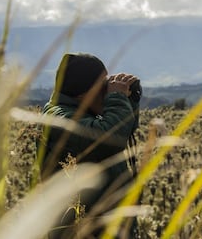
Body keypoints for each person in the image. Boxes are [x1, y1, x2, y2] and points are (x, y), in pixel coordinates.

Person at [37, 53, 141, 238]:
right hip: (81, 228)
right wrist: (116, 97)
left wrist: (129, 100)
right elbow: (109, 138)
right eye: (103, 85)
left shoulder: (83, 111)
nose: (107, 90)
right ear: (82, 92)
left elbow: (123, 131)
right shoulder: (58, 117)